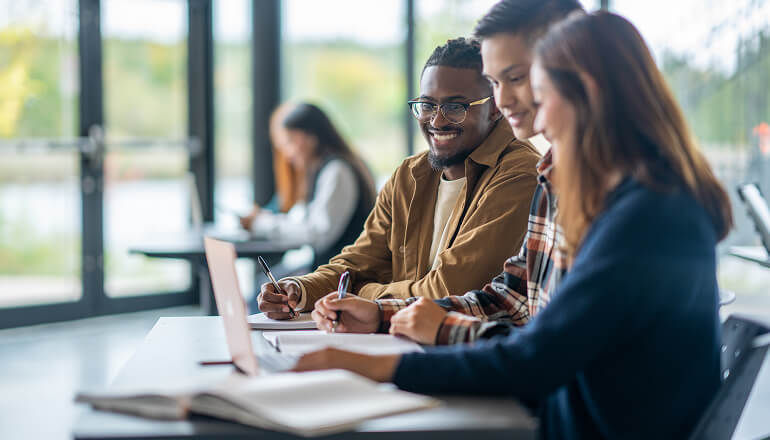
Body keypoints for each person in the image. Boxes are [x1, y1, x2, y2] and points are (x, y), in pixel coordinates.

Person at [293, 10, 733, 439]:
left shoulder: (649, 214)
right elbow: (515, 297)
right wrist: (385, 314)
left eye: (533, 89)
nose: (527, 113)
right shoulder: (575, 185)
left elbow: (539, 357)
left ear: (587, 92)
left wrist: (377, 364)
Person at [312, 0, 583, 344]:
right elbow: (509, 301)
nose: (506, 100)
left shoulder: (568, 180)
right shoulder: (553, 176)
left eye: (517, 78)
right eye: (497, 83)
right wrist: (381, 313)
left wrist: (378, 306)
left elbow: (550, 348)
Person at [258, 38, 542, 319]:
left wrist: (362, 294)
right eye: (428, 105)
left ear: (493, 107)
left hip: (469, 351)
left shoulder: (518, 174)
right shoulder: (410, 175)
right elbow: (357, 263)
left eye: (456, 107)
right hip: (401, 339)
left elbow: (448, 291)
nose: (437, 120)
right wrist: (299, 289)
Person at [239, 102, 377, 269]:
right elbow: (303, 220)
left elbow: (319, 233)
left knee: (265, 289)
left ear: (310, 138)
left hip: (341, 276)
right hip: (331, 271)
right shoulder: (321, 171)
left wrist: (261, 224)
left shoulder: (337, 171)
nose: (287, 154)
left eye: (290, 142)